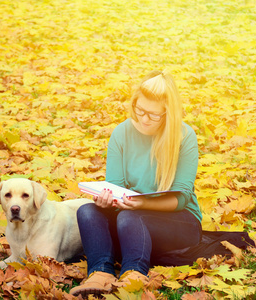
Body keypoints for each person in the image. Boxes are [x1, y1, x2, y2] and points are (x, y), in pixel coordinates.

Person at [70, 70, 203, 297]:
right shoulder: (122, 133)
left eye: (153, 115)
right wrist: (107, 200)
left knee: (130, 217)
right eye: (139, 110)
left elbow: (180, 199)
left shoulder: (184, 136)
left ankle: (134, 275)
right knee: (87, 212)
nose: (143, 119)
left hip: (180, 222)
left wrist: (139, 205)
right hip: (129, 213)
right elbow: (116, 187)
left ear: (168, 114)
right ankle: (100, 273)